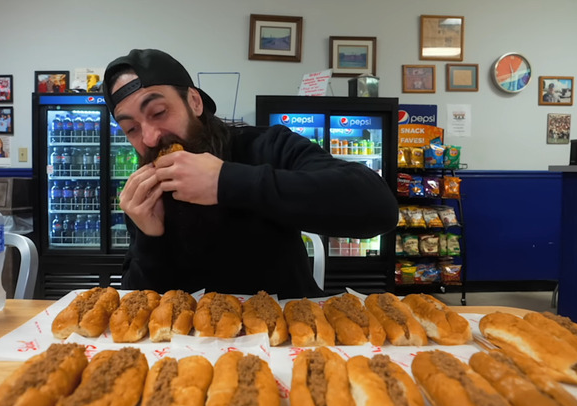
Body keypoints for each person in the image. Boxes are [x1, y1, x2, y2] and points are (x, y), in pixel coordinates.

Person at [103, 48, 398, 299]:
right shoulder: (146, 192)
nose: (151, 137)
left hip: (290, 338)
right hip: (193, 351)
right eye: (132, 129)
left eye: (158, 112)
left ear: (194, 101)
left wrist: (227, 181)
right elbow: (138, 304)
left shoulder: (265, 146)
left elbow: (377, 207)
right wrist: (150, 236)